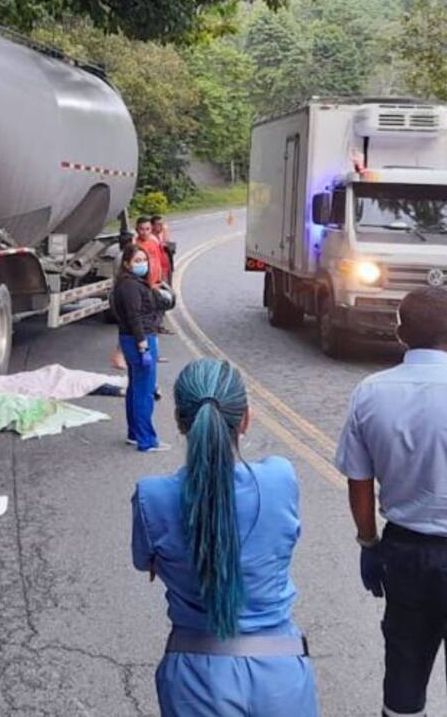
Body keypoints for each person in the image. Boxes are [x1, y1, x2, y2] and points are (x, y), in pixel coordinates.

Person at [335, 286, 447, 717]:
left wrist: (368, 543)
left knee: (403, 682)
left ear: (400, 334)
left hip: (404, 556)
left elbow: (358, 481)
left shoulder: (370, 393)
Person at [132, 359, 318, 717]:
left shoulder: (151, 497)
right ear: (245, 419)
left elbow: (146, 562)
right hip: (281, 673)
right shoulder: (280, 478)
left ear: (179, 422)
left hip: (196, 676)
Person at [110, 243, 169, 452]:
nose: (142, 264)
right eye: (137, 261)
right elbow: (134, 317)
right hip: (140, 340)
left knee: (136, 389)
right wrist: (143, 347)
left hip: (132, 339)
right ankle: (147, 440)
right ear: (127, 263)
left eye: (144, 260)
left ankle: (134, 434)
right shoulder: (130, 286)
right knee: (144, 391)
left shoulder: (130, 283)